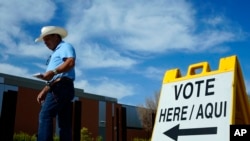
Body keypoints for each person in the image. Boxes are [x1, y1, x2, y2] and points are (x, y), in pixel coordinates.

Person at [35, 26, 76, 141]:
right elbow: (55, 76)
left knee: (45, 115)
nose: (45, 43)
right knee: (64, 123)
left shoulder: (64, 46)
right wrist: (44, 90)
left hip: (60, 87)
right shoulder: (55, 53)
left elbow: (70, 62)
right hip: (62, 86)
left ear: (56, 36)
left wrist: (53, 72)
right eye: (44, 41)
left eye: (47, 39)